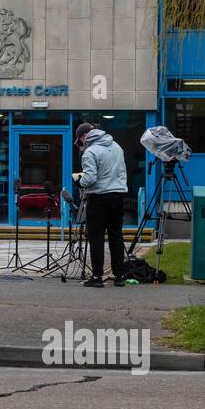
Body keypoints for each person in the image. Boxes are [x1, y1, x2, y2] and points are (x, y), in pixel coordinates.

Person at [74, 122, 129, 288]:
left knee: (96, 237)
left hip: (99, 197)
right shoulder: (117, 146)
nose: (81, 145)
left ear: (84, 137)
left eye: (80, 141)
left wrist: (79, 181)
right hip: (119, 194)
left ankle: (97, 276)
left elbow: (90, 178)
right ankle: (119, 275)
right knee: (116, 235)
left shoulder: (91, 152)